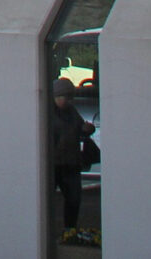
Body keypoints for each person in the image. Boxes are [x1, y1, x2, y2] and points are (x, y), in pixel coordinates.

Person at [49, 78, 93, 234]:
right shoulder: (47, 114)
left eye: (68, 97)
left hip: (70, 163)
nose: (66, 101)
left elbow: (79, 128)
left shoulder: (71, 112)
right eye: (63, 97)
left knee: (73, 201)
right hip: (54, 165)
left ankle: (70, 231)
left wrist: (86, 129)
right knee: (50, 202)